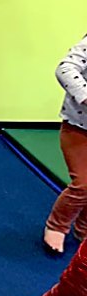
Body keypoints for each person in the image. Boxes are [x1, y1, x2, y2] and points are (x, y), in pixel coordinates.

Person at [42, 34, 87, 254]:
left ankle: (83, 228)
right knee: (83, 183)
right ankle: (57, 225)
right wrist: (84, 95)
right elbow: (65, 68)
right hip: (79, 128)